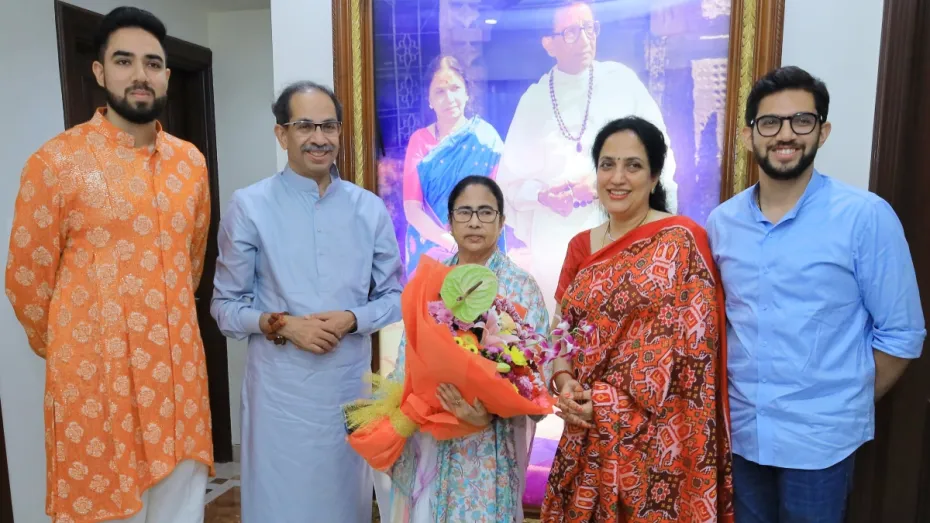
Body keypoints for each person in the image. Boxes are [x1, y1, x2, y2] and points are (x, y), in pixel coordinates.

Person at [5, 7, 214, 523]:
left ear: (166, 75)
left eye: (153, 63)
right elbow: (27, 281)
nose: (140, 75)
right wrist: (81, 348)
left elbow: (190, 265)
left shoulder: (190, 164)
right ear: (99, 71)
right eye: (124, 61)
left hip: (179, 388)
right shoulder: (56, 163)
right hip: (98, 393)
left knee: (180, 511)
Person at [706, 66, 926, 523]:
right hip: (742, 436)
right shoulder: (722, 223)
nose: (785, 134)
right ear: (749, 136)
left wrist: (842, 404)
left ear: (822, 132)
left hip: (822, 444)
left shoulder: (865, 217)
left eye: (801, 121)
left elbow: (902, 334)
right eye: (770, 122)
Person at [210, 81, 404, 523]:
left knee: (343, 505)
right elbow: (225, 307)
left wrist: (353, 318)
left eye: (328, 126)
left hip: (346, 389)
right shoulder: (250, 206)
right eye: (305, 126)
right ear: (282, 134)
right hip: (279, 396)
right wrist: (283, 325)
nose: (319, 138)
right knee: (279, 505)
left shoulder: (369, 209)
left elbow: (394, 298)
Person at [542, 117, 734, 523]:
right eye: (607, 164)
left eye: (633, 165)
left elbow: (695, 354)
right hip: (587, 433)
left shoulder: (683, 240)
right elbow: (561, 333)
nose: (617, 178)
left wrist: (611, 402)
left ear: (654, 175)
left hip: (661, 440)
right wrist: (564, 380)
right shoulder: (581, 246)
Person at [385, 176, 550, 522]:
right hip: (432, 437)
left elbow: (537, 380)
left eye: (486, 212)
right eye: (465, 212)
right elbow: (407, 358)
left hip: (490, 445)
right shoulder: (430, 281)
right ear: (450, 221)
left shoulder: (520, 286)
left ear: (502, 222)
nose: (475, 222)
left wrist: (487, 411)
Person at [496, 0, 678, 314]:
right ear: (548, 44)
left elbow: (660, 157)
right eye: (571, 32)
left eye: (589, 28)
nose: (584, 39)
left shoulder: (621, 82)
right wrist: (544, 196)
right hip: (555, 238)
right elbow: (510, 185)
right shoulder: (534, 101)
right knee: (562, 328)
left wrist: (601, 185)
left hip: (621, 228)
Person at [403, 55, 506, 275]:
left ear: (467, 93)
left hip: (480, 251)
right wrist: (450, 244)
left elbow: (499, 203)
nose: (449, 98)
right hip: (431, 253)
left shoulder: (486, 139)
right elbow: (412, 210)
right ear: (429, 99)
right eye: (440, 91)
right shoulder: (419, 141)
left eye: (455, 88)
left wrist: (471, 245)